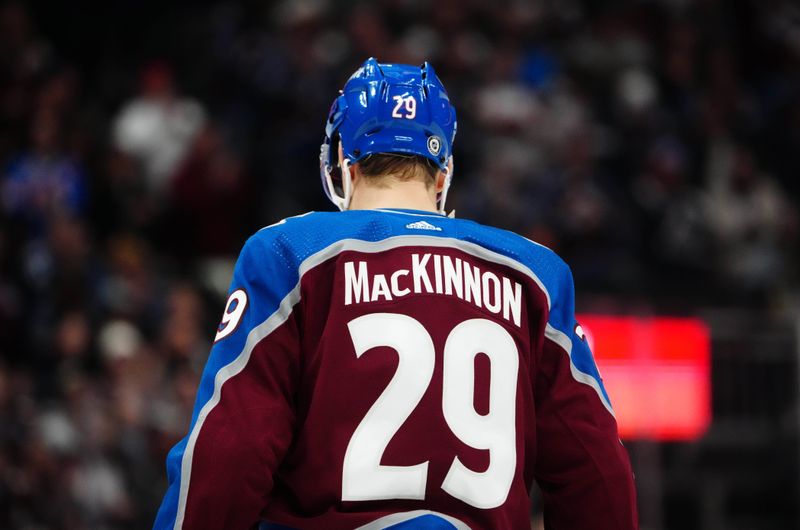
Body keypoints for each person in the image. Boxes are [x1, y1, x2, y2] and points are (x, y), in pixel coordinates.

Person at [153, 58, 638, 530]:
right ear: (443, 173)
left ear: (344, 162)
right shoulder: (535, 274)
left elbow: (230, 451)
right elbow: (597, 475)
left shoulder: (288, 252)